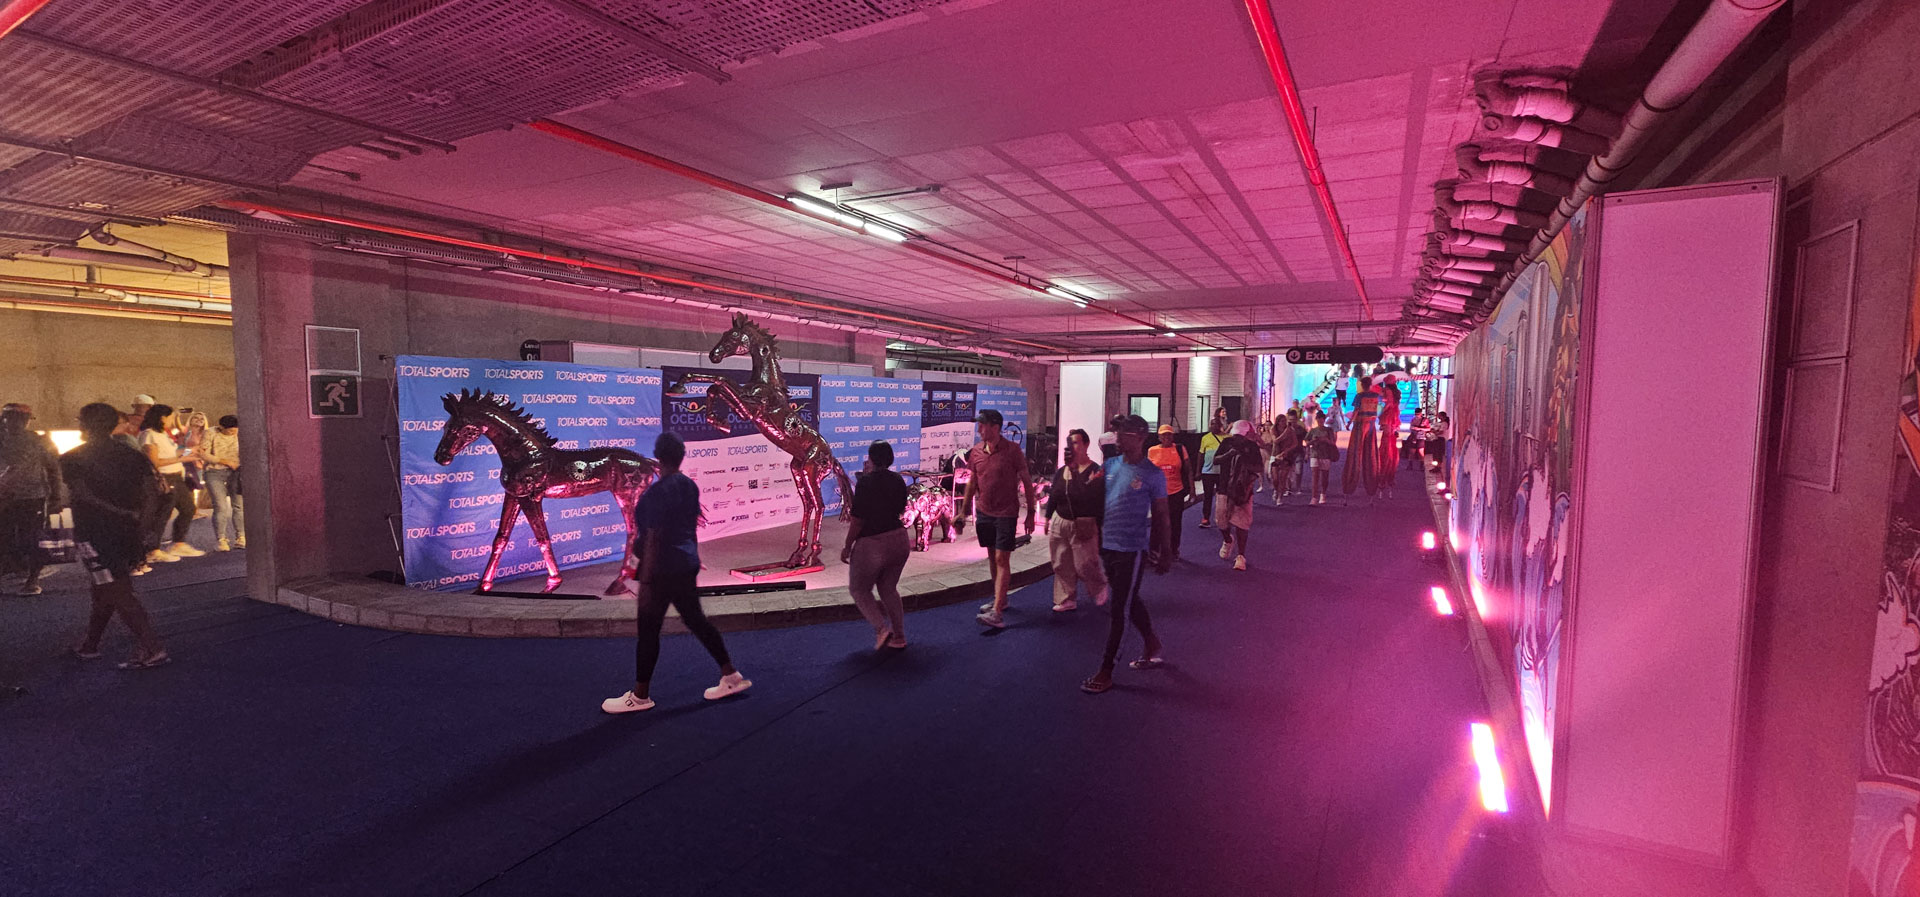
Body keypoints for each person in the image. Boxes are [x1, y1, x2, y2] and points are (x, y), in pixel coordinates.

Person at [603, 432, 751, 713]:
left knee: (648, 631)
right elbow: (690, 527)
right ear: (681, 457)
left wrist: (646, 580)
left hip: (661, 571)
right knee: (696, 621)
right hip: (684, 564)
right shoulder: (689, 486)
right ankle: (731, 676)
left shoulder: (655, 495)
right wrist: (692, 557)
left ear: (657, 458)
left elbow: (652, 538)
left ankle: (640, 696)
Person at [62, 403, 168, 669]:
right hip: (127, 531)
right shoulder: (132, 455)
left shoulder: (73, 457)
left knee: (117, 589)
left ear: (86, 424)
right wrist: (143, 525)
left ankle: (152, 647)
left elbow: (81, 494)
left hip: (94, 532)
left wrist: (119, 512)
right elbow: (152, 492)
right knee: (104, 586)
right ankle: (90, 644)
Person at [1081, 414, 1171, 695]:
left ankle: (1107, 670)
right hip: (1107, 545)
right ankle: (1152, 643)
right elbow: (1094, 499)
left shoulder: (1152, 474)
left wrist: (1165, 551)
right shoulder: (1109, 466)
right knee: (1129, 600)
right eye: (1117, 433)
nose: (1117, 439)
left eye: (1124, 435)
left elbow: (1162, 515)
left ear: (1141, 438)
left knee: (1119, 608)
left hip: (1132, 550)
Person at [958, 409, 1036, 629]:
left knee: (1002, 558)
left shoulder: (1013, 450)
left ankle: (997, 613)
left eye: (982, 425)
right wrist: (964, 511)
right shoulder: (976, 451)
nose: (979, 429)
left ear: (995, 427)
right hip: (985, 512)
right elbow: (973, 481)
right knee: (992, 557)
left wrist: (1031, 512)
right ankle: (1000, 599)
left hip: (1006, 513)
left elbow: (1027, 480)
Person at [841, 440, 910, 651]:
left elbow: (858, 520)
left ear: (871, 458)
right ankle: (899, 636)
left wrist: (847, 545)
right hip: (899, 539)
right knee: (889, 588)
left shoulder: (865, 483)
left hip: (872, 543)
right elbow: (901, 508)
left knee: (859, 589)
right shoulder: (898, 479)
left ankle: (881, 629)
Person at [0, 403, 63, 596]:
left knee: (32, 538)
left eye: (21, 419)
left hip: (32, 497)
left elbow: (54, 469)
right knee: (5, 538)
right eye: (12, 418)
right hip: (7, 497)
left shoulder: (39, 441)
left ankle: (33, 579)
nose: (17, 423)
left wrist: (56, 496)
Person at [1045, 428, 1107, 612]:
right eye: (1069, 443)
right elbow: (1055, 494)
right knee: (1061, 562)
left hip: (1084, 523)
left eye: (1076, 442)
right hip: (1060, 521)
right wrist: (1048, 516)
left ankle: (1099, 586)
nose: (1072, 446)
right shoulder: (1062, 471)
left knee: (1085, 564)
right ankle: (1067, 598)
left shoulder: (1095, 471)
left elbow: (1087, 496)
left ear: (1086, 444)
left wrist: (1073, 471)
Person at [138, 405, 202, 563]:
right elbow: (155, 462)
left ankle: (178, 543)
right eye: (171, 417)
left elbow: (174, 453)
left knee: (188, 508)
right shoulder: (149, 435)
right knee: (162, 514)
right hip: (164, 478)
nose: (173, 420)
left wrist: (193, 450)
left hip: (176, 476)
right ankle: (153, 550)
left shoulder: (163, 434)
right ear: (162, 417)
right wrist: (183, 458)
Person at [1213, 420, 1263, 571]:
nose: (1237, 439)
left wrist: (1245, 461)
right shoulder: (1227, 443)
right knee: (1221, 521)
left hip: (1243, 489)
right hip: (1224, 487)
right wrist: (1229, 455)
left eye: (1240, 436)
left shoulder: (1252, 446)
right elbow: (1215, 460)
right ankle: (1228, 540)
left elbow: (1259, 467)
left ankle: (1241, 555)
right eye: (1236, 436)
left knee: (1242, 523)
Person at [1146, 424, 1193, 560]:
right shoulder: (1152, 451)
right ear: (1159, 437)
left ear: (1172, 436)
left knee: (1175, 522)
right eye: (1163, 435)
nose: (1166, 437)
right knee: (1157, 523)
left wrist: (1192, 489)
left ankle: (1173, 550)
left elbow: (1188, 470)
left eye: (1169, 434)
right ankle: (1154, 551)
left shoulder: (1179, 449)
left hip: (1176, 491)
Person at [202, 414, 244, 551]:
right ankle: (221, 539)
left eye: (235, 430)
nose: (233, 433)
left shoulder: (240, 433)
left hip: (236, 472)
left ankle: (241, 536)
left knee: (238, 505)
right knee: (220, 506)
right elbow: (203, 453)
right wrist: (224, 461)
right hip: (214, 471)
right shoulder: (210, 433)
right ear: (221, 427)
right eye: (230, 431)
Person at [1342, 377, 1383, 497]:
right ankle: (1372, 481)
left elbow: (1356, 410)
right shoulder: (1376, 396)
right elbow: (1379, 409)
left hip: (1360, 423)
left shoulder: (1360, 396)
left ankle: (1350, 480)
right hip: (1371, 424)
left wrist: (1349, 423)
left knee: (1356, 452)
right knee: (1371, 452)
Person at [1197, 409, 1228, 527]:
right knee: (1207, 496)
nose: (1214, 426)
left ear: (1220, 426)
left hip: (1222, 472)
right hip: (1208, 471)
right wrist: (1198, 471)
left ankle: (1222, 517)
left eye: (1216, 424)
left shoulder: (1227, 438)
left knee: (1222, 496)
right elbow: (1201, 454)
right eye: (1212, 424)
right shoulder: (1205, 438)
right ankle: (1206, 518)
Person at [1307, 412, 1337, 505]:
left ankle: (1323, 493)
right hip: (1315, 454)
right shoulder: (1313, 431)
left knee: (1324, 476)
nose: (1320, 420)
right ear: (1316, 420)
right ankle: (1314, 497)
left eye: (1322, 419)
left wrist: (1326, 440)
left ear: (1324, 420)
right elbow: (1306, 442)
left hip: (1325, 455)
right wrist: (1313, 441)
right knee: (1315, 476)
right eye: (1318, 418)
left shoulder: (1329, 430)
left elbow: (1333, 443)